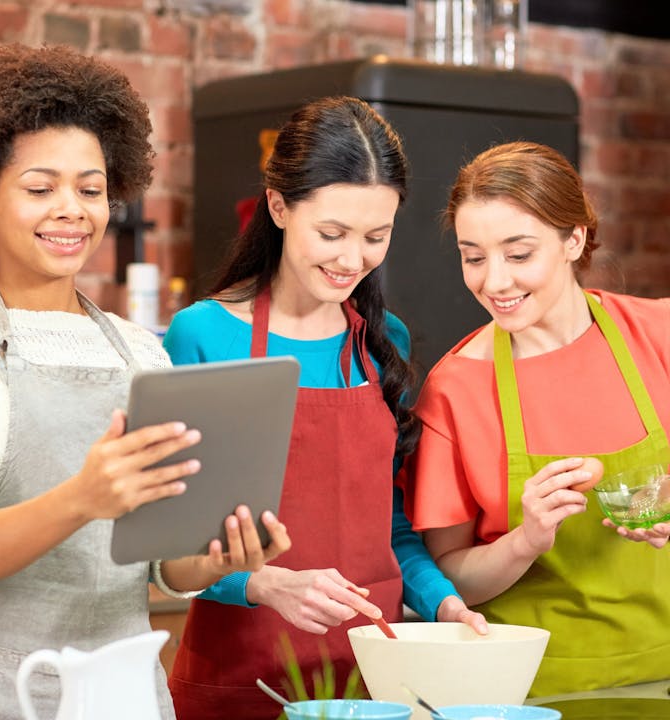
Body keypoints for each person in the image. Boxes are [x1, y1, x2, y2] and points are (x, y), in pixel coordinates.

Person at [0, 43, 290, 720]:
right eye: (40, 188)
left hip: (129, 698)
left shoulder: (140, 351)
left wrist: (221, 555)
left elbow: (165, 566)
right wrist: (82, 497)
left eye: (90, 188)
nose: (71, 209)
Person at [163, 95, 487, 720]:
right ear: (280, 207)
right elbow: (173, 548)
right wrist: (261, 583)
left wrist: (443, 603)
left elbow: (390, 529)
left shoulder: (381, 339)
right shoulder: (203, 334)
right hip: (241, 680)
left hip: (373, 682)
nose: (351, 259)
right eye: (331, 233)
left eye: (376, 236)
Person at [398, 140, 670, 698]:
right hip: (530, 688)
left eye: (518, 255)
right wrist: (525, 540)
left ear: (574, 239)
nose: (494, 282)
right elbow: (449, 576)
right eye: (474, 257)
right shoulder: (456, 390)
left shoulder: (659, 334)